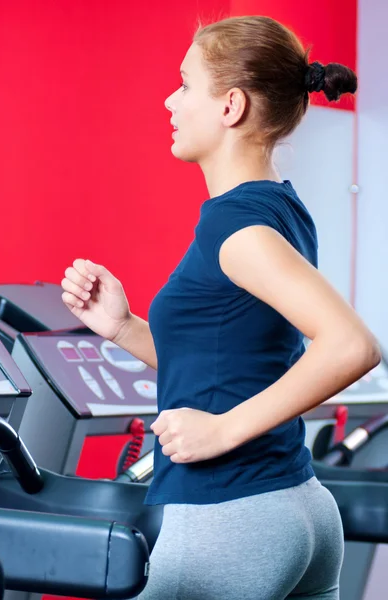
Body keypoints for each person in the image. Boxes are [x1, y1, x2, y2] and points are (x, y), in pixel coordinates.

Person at [60, 14, 379, 600]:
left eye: (184, 84)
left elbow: (352, 345)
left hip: (230, 517)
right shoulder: (279, 207)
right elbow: (227, 359)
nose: (169, 100)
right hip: (297, 508)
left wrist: (223, 431)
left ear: (230, 105)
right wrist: (124, 327)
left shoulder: (235, 225)